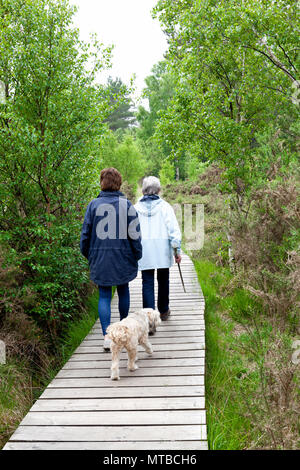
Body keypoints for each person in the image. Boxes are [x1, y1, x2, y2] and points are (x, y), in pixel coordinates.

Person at [80, 167, 142, 351]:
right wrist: (137, 254)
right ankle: (123, 331)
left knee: (104, 294)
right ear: (118, 183)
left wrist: (89, 255)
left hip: (100, 257)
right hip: (123, 257)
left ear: (102, 182)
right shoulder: (127, 205)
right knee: (123, 290)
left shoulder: (93, 205)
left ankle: (107, 336)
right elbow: (135, 235)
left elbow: (85, 235)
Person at [134, 176, 182, 322]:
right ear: (159, 190)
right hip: (162, 251)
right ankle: (163, 311)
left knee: (147, 282)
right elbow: (173, 231)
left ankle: (149, 318)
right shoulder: (165, 207)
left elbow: (131, 231)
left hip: (145, 251)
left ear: (143, 191)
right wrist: (177, 251)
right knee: (163, 280)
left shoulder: (135, 208)